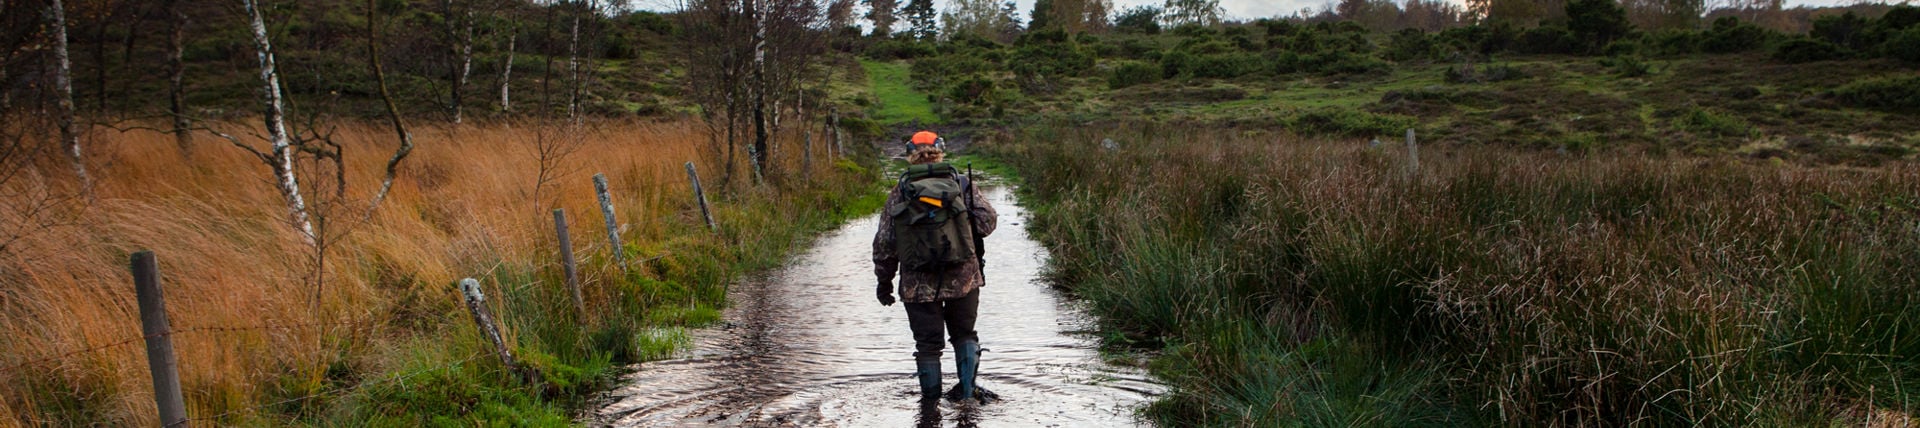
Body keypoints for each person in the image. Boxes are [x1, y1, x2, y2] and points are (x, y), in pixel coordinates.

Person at [873, 134, 997, 402]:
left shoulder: (900, 191)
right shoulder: (962, 184)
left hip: (917, 284)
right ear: (940, 153)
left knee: (928, 346)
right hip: (963, 277)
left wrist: (884, 283)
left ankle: (929, 407)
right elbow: (988, 224)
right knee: (965, 334)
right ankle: (966, 396)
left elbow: (885, 243)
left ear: (910, 155)